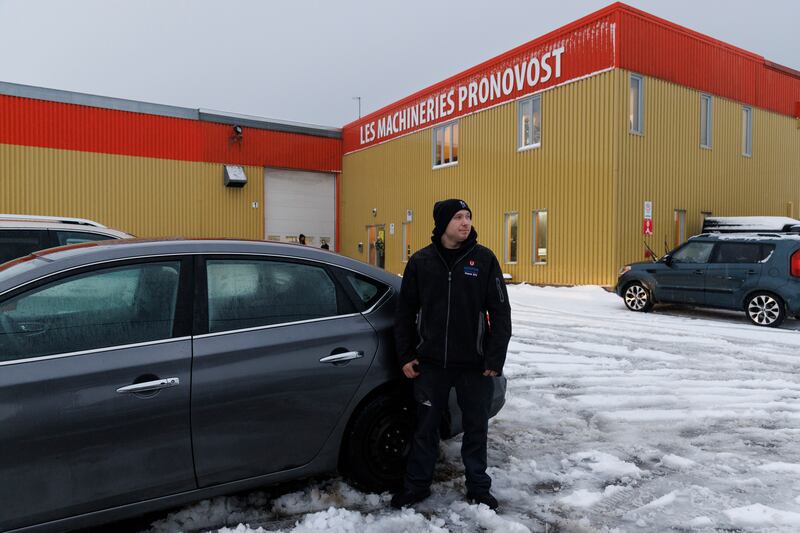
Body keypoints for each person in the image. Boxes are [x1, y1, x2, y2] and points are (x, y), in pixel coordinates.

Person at [391, 198, 511, 510]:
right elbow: (404, 314)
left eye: (468, 216)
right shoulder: (421, 262)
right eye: (458, 217)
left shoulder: (483, 260)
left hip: (475, 365)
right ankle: (416, 486)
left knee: (476, 430)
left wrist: (494, 359)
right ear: (443, 223)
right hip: (431, 365)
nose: (465, 222)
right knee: (425, 429)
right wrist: (405, 356)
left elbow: (501, 313)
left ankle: (478, 487)